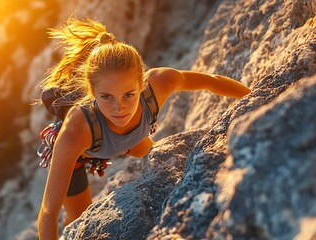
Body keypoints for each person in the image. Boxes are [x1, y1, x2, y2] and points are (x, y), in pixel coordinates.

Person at [37, 18, 251, 240]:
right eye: (106, 97)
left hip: (132, 138)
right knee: (77, 219)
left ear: (142, 84)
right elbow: (47, 211)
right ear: (92, 92)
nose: (119, 107)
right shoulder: (75, 131)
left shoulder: (160, 83)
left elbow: (211, 81)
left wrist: (259, 95)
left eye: (129, 94)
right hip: (83, 153)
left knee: (159, 159)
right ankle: (69, 223)